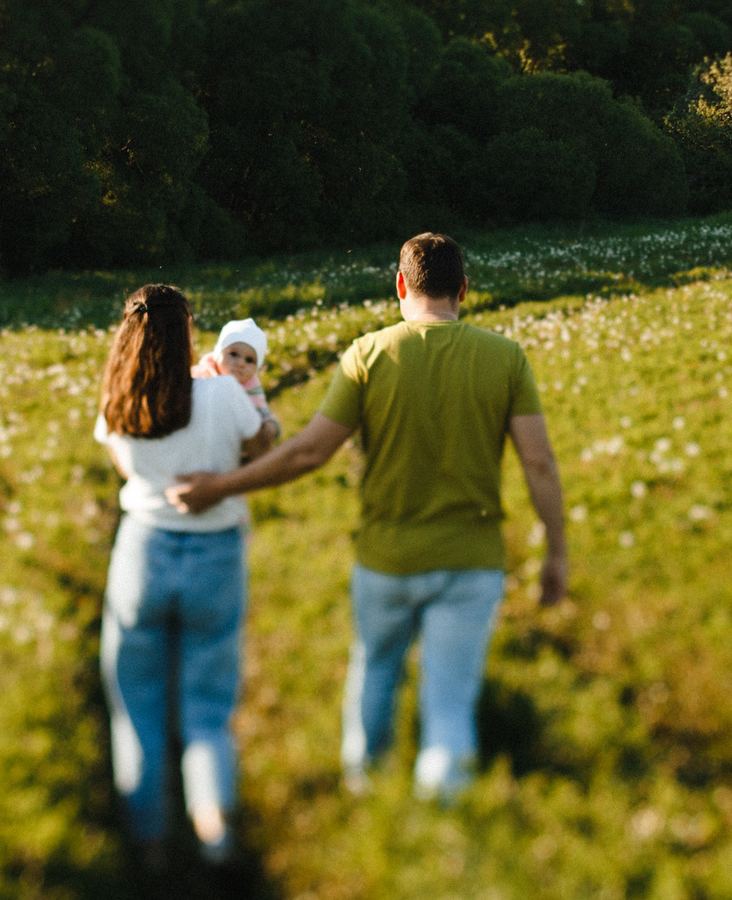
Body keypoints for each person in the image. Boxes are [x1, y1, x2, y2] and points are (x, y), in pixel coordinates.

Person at [169, 233, 569, 799]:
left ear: (401, 285)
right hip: (471, 560)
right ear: (463, 289)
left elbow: (308, 452)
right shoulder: (506, 358)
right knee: (449, 702)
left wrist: (221, 486)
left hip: (385, 559)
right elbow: (540, 463)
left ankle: (364, 796)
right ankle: (443, 821)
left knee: (376, 672)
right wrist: (556, 551)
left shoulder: (368, 354)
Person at [94, 284, 279, 863]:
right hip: (216, 551)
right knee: (208, 704)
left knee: (135, 703)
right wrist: (253, 410)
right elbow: (263, 448)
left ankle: (147, 839)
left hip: (143, 551)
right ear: (189, 336)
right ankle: (213, 830)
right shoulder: (225, 393)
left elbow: (127, 467)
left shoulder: (118, 399)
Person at [193, 317, 281, 436]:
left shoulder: (251, 388)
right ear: (218, 354)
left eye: (249, 360)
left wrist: (270, 425)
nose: (240, 363)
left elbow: (263, 413)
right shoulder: (201, 376)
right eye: (233, 354)